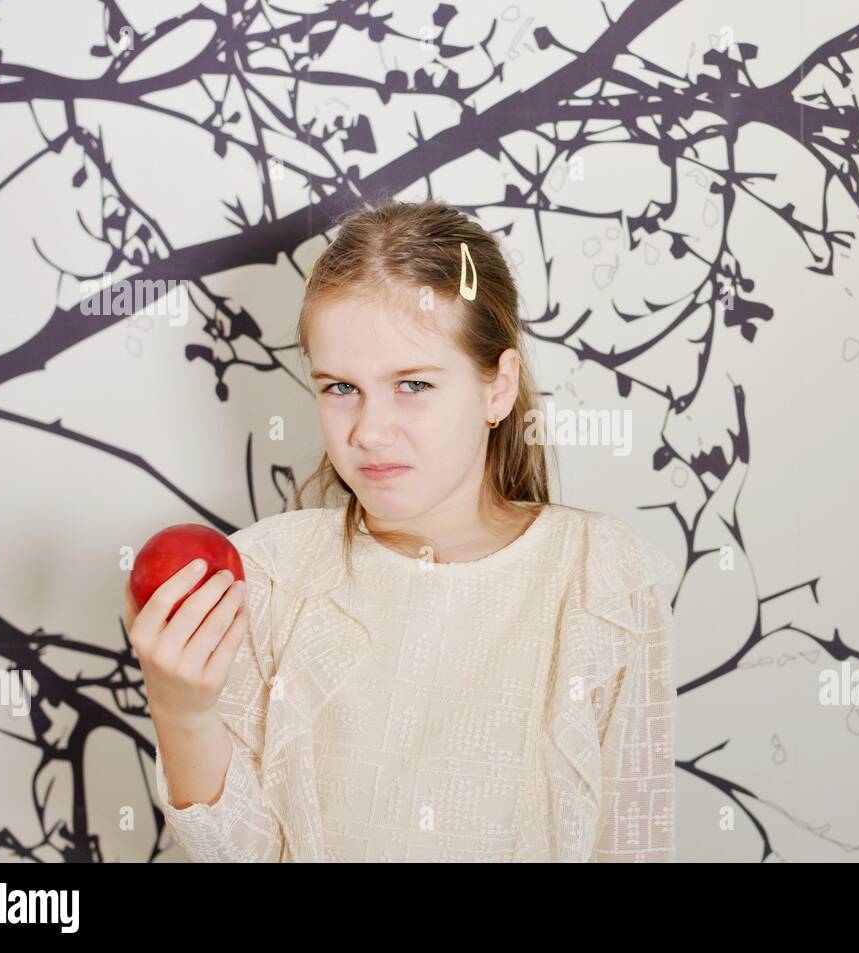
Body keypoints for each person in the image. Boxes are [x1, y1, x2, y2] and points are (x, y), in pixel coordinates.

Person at [126, 198, 679, 862]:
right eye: (339, 388)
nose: (368, 430)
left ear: (497, 388)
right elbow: (243, 853)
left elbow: (632, 843)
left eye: (412, 384)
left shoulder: (602, 578)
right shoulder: (268, 573)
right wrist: (182, 710)